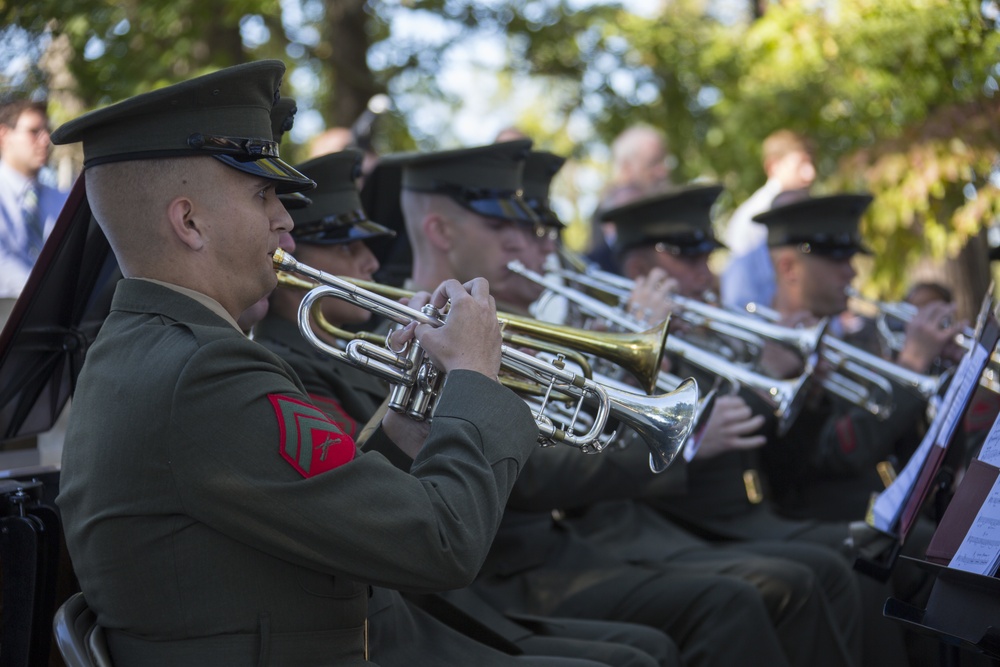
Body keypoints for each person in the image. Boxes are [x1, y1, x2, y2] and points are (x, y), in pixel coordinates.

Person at [52, 60, 543, 667]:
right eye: (263, 194)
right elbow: (443, 543)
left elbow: (330, 510)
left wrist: (406, 427)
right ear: (189, 221)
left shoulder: (156, 350)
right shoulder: (205, 373)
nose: (285, 221)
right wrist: (473, 376)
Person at [385, 139, 862, 667]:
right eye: (504, 229)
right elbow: (528, 470)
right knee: (743, 600)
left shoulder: (523, 325)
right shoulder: (400, 336)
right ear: (440, 231)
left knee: (797, 580)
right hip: (506, 570)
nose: (532, 247)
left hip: (576, 544)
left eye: (536, 230)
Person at [255, 147, 679, 667]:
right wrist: (461, 381)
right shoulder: (290, 363)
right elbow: (370, 496)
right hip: (430, 598)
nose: (369, 263)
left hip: (470, 581)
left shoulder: (380, 337)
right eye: (347, 247)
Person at [606, 185, 917, 667]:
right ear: (635, 270)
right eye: (686, 259)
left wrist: (799, 390)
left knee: (881, 549)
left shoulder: (711, 339)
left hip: (752, 513)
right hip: (689, 527)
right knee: (847, 562)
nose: (704, 276)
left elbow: (779, 457)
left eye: (707, 258)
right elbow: (608, 453)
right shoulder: (614, 339)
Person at [760, 193, 966, 522]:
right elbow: (837, 454)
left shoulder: (856, 344)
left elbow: (911, 447)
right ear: (789, 268)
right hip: (830, 524)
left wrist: (945, 369)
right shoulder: (763, 352)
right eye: (837, 261)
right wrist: (911, 367)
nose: (852, 272)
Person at [720, 129, 816, 311]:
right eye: (801, 164)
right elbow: (739, 296)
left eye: (811, 164)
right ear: (773, 166)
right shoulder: (752, 218)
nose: (810, 174)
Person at [0, 98, 69, 297]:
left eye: (47, 131)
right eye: (33, 131)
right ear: (4, 135)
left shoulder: (63, 199)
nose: (46, 139)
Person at [587, 124, 672, 274]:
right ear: (626, 168)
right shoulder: (596, 259)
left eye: (664, 161)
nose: (663, 172)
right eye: (653, 163)